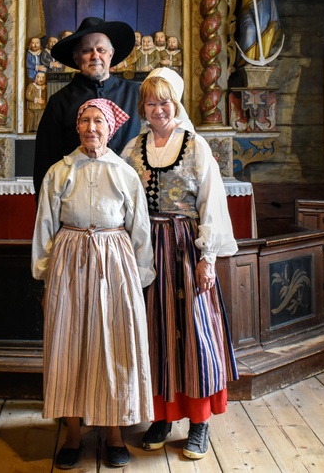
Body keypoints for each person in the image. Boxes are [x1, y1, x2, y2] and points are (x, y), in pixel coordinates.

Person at [123, 67, 239, 461]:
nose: (158, 109)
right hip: (146, 250)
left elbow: (211, 204)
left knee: (193, 330)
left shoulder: (195, 147)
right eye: (151, 102)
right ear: (144, 106)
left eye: (165, 101)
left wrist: (208, 258)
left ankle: (199, 422)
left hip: (185, 249)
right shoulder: (133, 149)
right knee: (154, 331)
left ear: (177, 102)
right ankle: (161, 417)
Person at [33, 98, 154, 469]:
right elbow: (44, 226)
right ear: (77, 128)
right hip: (69, 260)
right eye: (84, 121)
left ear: (111, 127)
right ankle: (72, 433)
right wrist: (45, 273)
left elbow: (140, 229)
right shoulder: (59, 171)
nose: (91, 128)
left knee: (113, 344)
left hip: (114, 261)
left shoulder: (124, 173)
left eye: (98, 121)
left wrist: (140, 279)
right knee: (69, 344)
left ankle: (114, 433)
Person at [32, 16, 141, 195]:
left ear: (111, 55)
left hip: (128, 197)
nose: (95, 56)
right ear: (76, 57)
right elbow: (46, 162)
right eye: (87, 50)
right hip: (76, 200)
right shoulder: (59, 102)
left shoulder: (135, 94)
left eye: (101, 49)